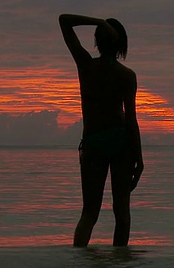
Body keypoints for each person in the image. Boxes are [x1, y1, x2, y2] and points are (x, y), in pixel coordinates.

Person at [58, 14, 144, 247]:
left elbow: (64, 20)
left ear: (98, 41)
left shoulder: (86, 66)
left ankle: (81, 261)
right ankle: (120, 262)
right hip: (120, 142)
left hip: (96, 142)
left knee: (90, 213)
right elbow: (132, 121)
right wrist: (139, 158)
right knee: (122, 213)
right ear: (121, 44)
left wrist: (98, 22)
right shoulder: (126, 75)